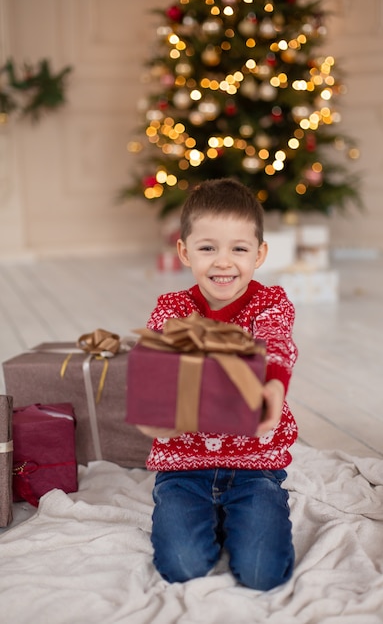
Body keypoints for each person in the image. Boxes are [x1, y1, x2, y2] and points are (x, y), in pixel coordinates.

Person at [142, 178, 298, 591]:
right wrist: (159, 417)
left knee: (263, 573)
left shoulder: (271, 303)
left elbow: (276, 347)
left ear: (260, 254)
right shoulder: (172, 309)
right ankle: (208, 520)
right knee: (181, 566)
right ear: (184, 251)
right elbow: (159, 372)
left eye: (239, 249)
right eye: (208, 248)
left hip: (254, 466)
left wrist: (273, 390)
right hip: (183, 468)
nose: (223, 262)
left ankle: (243, 519)